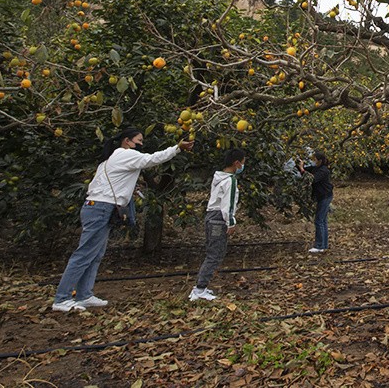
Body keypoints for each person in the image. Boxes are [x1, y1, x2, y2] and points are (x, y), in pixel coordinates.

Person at [53, 128, 193, 312]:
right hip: (100, 208)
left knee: (95, 255)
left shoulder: (112, 159)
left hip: (100, 207)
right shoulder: (124, 154)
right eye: (138, 140)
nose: (141, 144)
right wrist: (177, 148)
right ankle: (62, 298)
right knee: (85, 254)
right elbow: (151, 159)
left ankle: (84, 295)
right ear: (127, 141)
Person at [190, 148, 246, 302]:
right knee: (215, 255)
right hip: (219, 219)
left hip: (211, 217)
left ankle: (201, 287)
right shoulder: (230, 181)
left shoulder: (219, 178)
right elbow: (227, 206)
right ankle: (199, 289)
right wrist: (231, 222)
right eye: (242, 163)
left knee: (212, 253)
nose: (243, 166)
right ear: (236, 164)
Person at [299, 151, 333, 253]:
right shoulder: (316, 168)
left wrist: (301, 169)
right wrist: (300, 165)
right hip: (322, 196)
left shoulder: (323, 170)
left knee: (319, 221)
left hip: (325, 196)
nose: (313, 161)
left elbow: (312, 179)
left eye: (315, 159)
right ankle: (323, 245)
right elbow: (305, 171)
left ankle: (319, 246)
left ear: (320, 161)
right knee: (323, 221)